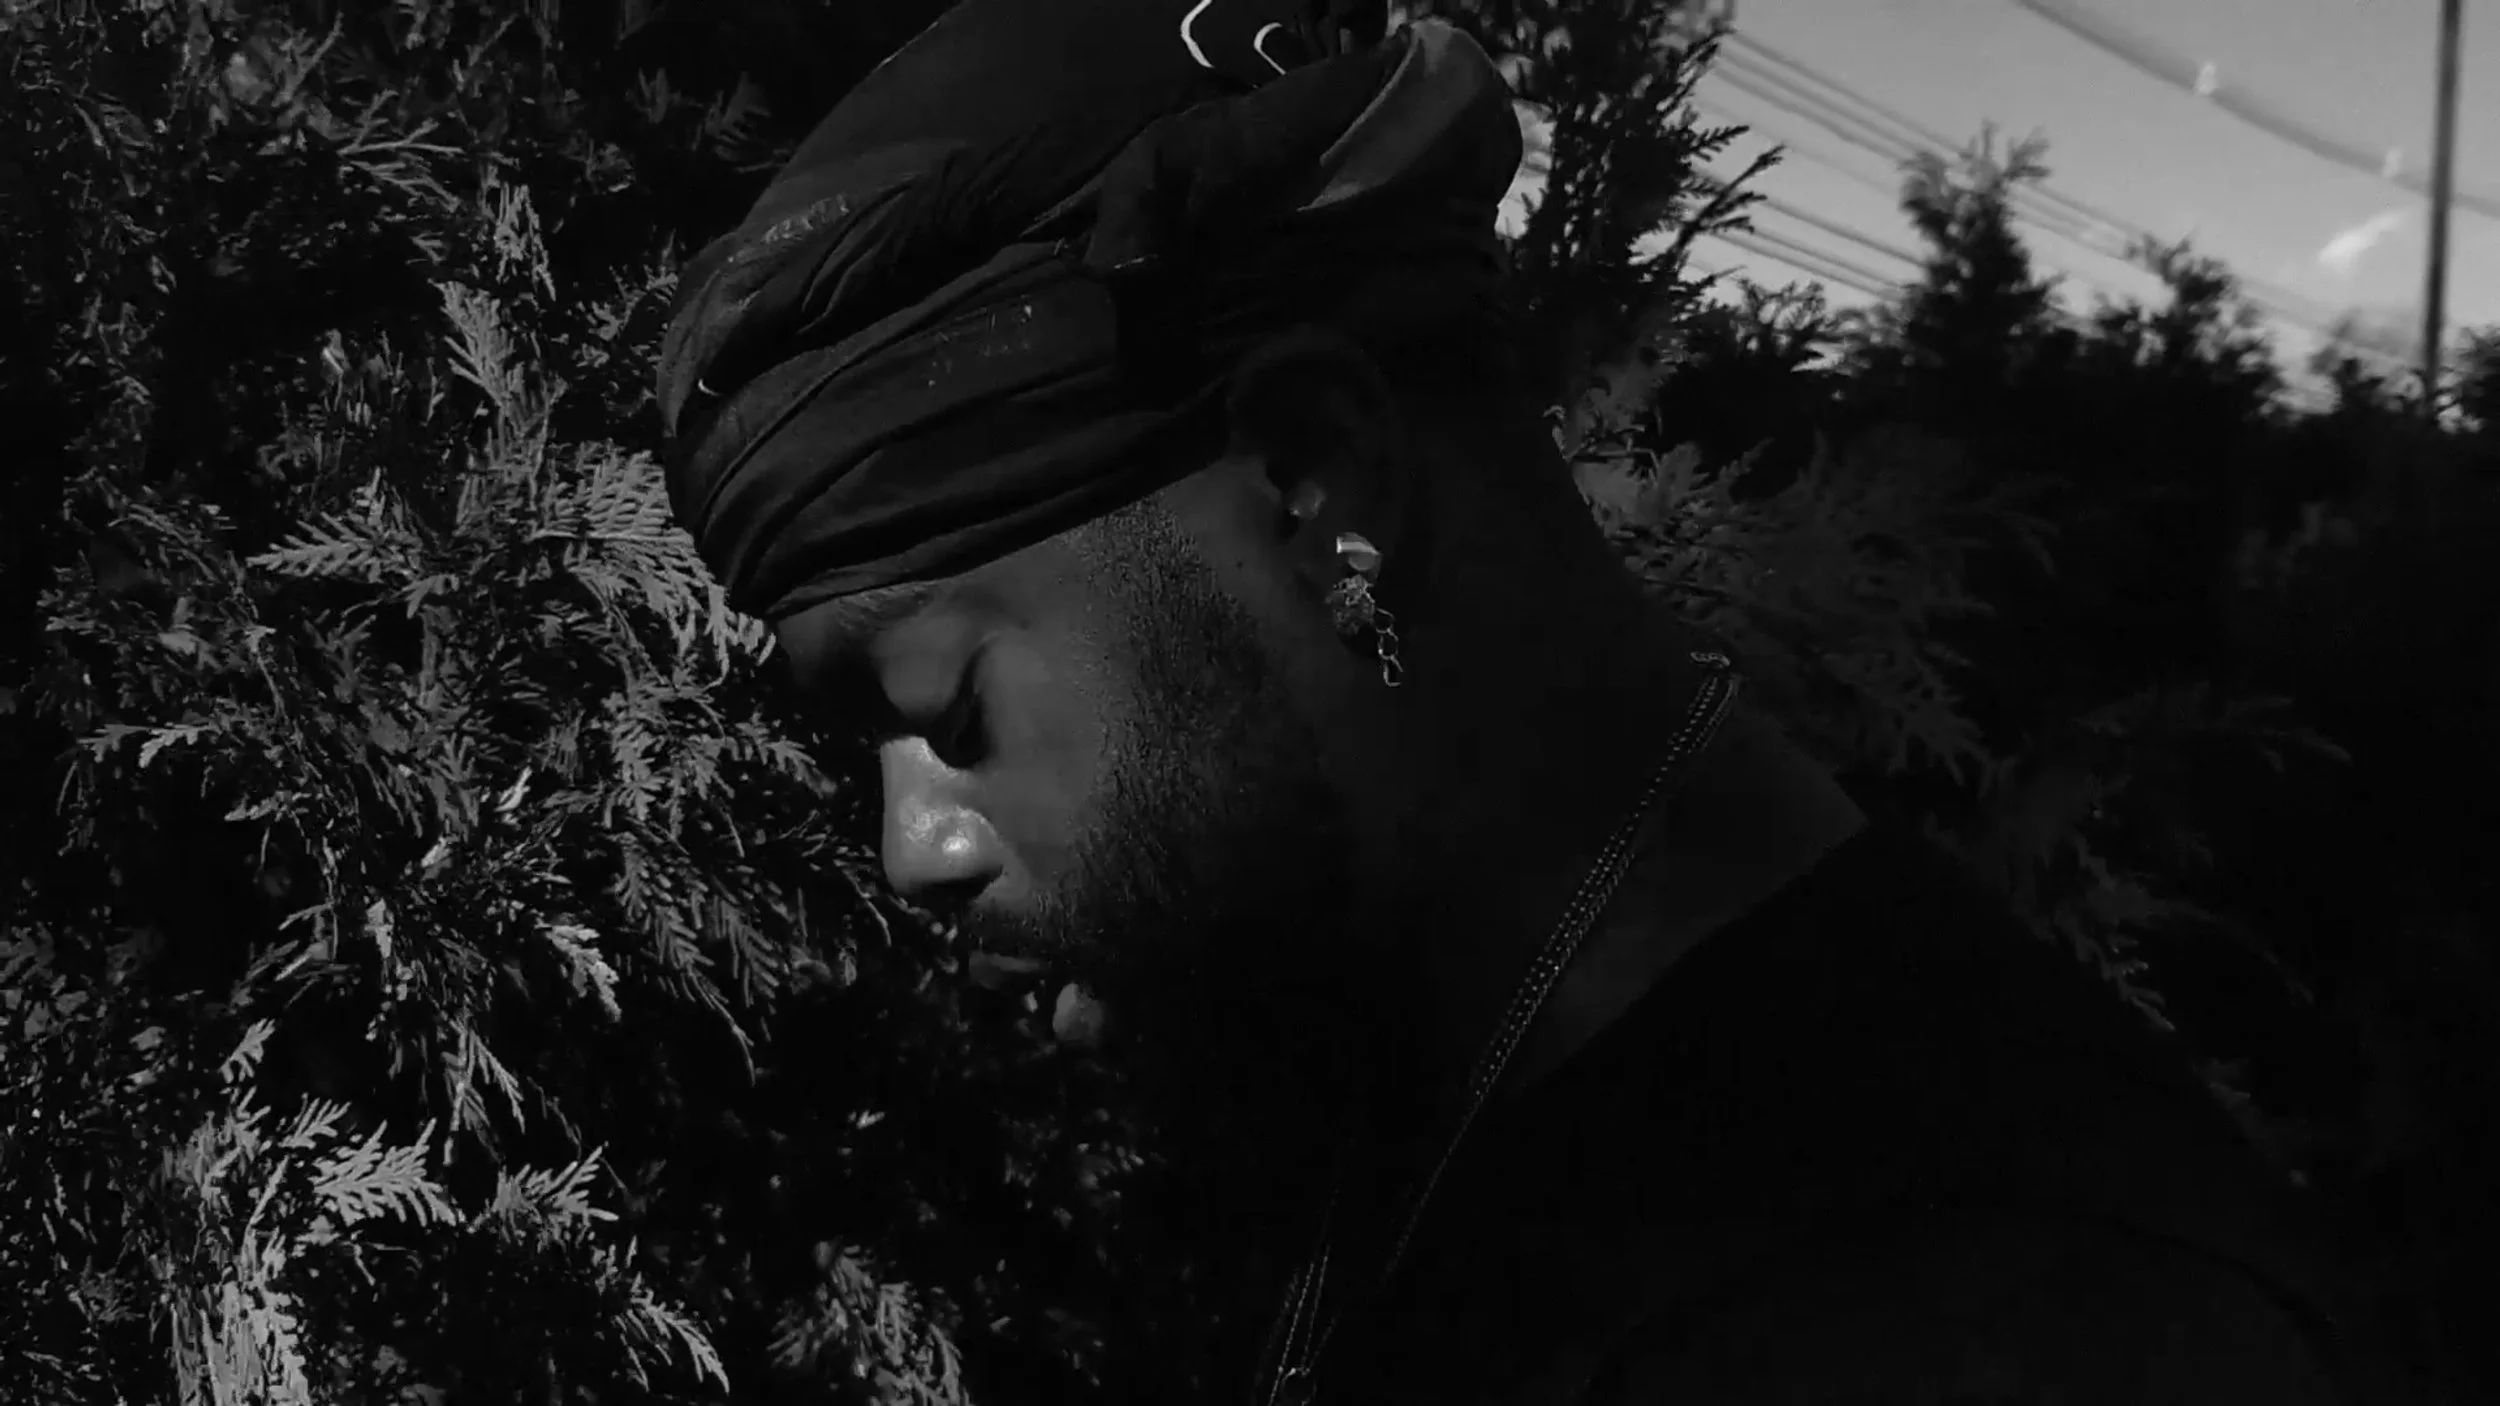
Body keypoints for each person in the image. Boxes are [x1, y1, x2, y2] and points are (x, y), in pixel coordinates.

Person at [655, 2, 2366, 1401]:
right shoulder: (1444, 1102)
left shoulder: (1973, 1307)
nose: (916, 845)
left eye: (944, 700)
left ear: (1319, 482)